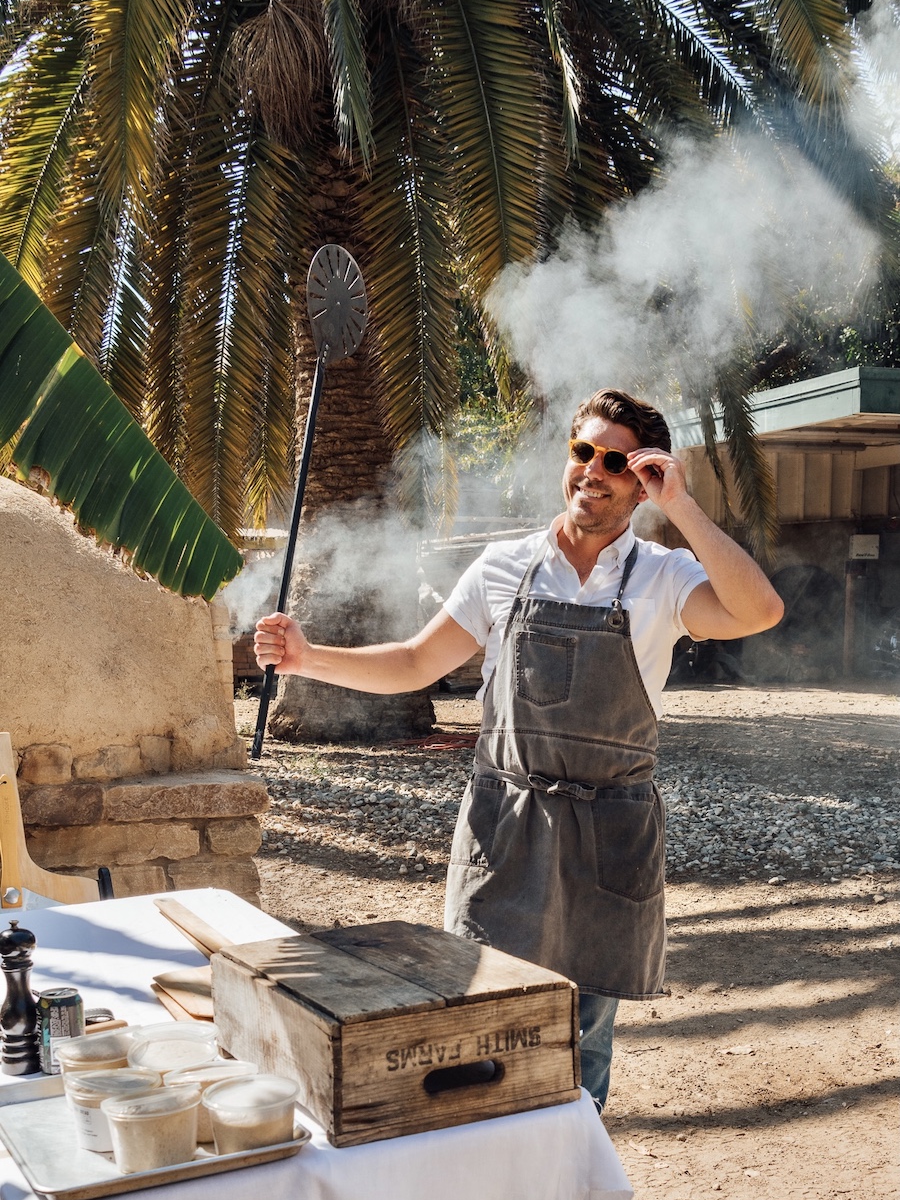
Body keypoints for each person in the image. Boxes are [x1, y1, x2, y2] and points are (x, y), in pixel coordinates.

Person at [254, 388, 783, 1110]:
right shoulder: (505, 567)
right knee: (480, 1028)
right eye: (582, 452)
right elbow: (414, 662)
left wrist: (683, 508)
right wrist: (307, 658)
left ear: (643, 479)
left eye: (616, 460)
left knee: (581, 1042)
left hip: (609, 835)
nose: (592, 470)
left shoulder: (663, 576)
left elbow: (760, 610)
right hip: (504, 827)